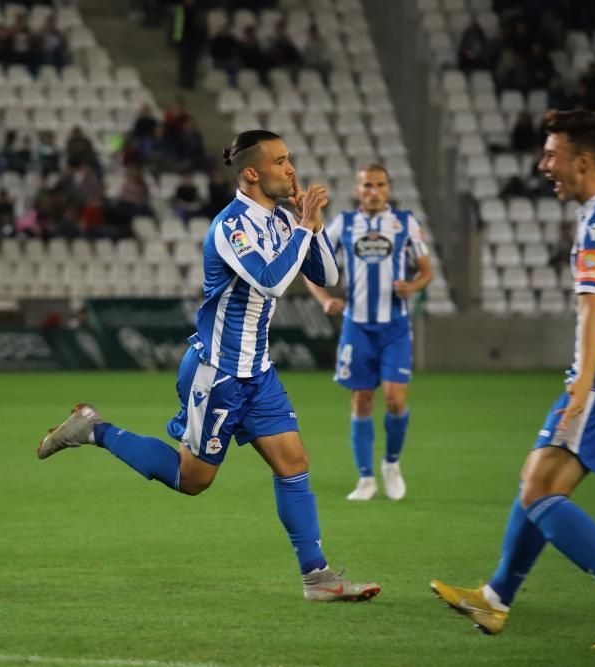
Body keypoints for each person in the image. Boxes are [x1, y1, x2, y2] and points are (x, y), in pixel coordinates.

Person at [37, 130, 381, 602]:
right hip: (217, 372)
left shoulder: (283, 218)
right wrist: (302, 229)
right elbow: (272, 281)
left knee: (294, 463)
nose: (292, 169)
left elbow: (329, 276)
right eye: (281, 161)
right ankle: (94, 429)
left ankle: (317, 577)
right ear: (252, 172)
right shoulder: (231, 226)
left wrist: (313, 225)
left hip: (257, 371)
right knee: (192, 479)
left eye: (290, 159)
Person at [431, 110, 595, 649]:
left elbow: (593, 311)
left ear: (583, 161)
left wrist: (581, 386)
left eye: (552, 155)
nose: (544, 165)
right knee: (537, 481)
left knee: (541, 488)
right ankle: (495, 599)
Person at [306, 164, 432, 502]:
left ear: (388, 188)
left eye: (379, 185)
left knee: (395, 399)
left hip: (395, 327)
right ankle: (365, 479)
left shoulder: (405, 224)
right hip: (356, 326)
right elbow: (310, 260)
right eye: (367, 185)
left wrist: (413, 286)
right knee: (361, 399)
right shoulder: (344, 224)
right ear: (357, 189)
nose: (373, 191)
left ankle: (391, 463)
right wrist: (323, 298)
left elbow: (426, 271)